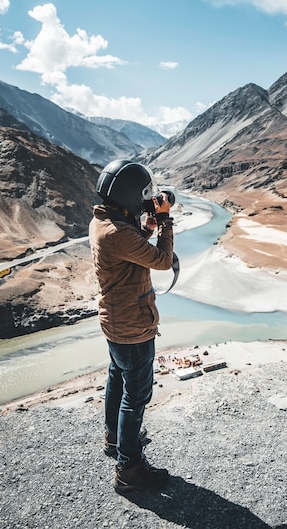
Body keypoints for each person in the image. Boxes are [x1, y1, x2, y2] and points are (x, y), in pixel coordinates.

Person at [89, 159, 174, 493]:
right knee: (135, 396)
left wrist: (146, 229)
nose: (145, 198)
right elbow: (163, 261)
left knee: (117, 376)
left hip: (114, 321)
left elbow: (127, 248)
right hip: (134, 326)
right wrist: (165, 221)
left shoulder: (103, 221)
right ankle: (130, 469)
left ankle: (114, 438)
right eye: (142, 194)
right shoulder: (119, 232)